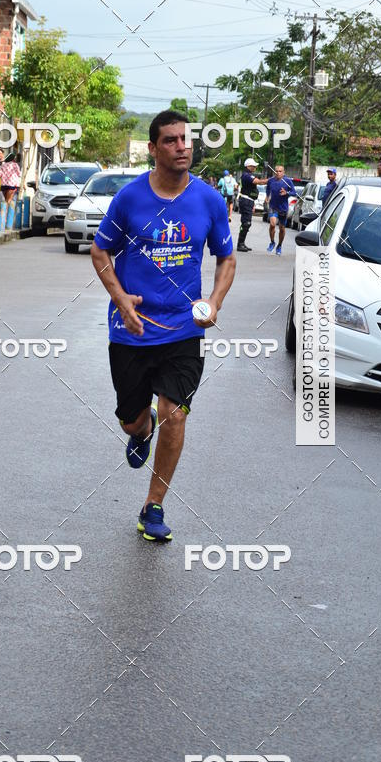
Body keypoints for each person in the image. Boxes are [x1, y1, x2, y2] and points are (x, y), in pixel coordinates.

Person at [90, 109, 236, 542]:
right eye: (171, 141)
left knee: (177, 416)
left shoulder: (208, 200)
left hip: (183, 333)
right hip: (131, 330)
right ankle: (141, 426)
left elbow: (227, 258)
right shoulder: (130, 199)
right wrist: (120, 298)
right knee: (132, 422)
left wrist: (213, 301)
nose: (182, 147)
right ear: (153, 148)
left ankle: (153, 506)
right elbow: (101, 253)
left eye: (186, 140)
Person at [237, 157, 268, 252]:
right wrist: (270, 180)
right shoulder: (246, 175)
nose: (255, 167)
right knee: (246, 223)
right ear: (248, 166)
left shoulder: (248, 174)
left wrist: (253, 204)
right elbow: (258, 182)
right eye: (253, 165)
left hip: (249, 201)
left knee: (247, 223)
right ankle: (240, 244)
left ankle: (242, 243)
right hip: (246, 200)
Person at [266, 164, 296, 255]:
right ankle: (272, 242)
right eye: (276, 171)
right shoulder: (271, 180)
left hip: (283, 208)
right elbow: (267, 189)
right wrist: (267, 196)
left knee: (282, 228)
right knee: (272, 224)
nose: (278, 173)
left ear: (283, 172)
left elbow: (294, 192)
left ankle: (279, 245)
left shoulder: (287, 181)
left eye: (280, 171)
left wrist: (286, 193)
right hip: (273, 206)